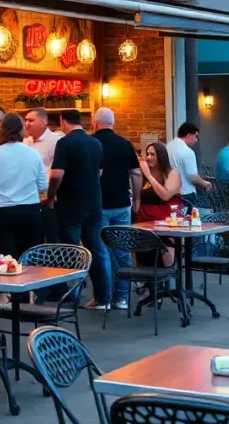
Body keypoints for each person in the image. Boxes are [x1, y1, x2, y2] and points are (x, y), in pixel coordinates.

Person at [0, 114, 47, 307]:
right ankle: (32, 298)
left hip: (2, 211)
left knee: (3, 256)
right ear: (21, 130)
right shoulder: (32, 153)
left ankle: (4, 300)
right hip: (30, 210)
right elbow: (43, 184)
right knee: (31, 256)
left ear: (2, 130)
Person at [47, 109, 111, 311]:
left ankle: (72, 297)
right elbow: (100, 171)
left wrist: (50, 196)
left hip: (70, 203)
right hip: (94, 203)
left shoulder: (64, 143)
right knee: (97, 249)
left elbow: (56, 174)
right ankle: (103, 298)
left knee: (70, 250)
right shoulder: (95, 143)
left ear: (63, 121)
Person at [91, 107, 141, 311]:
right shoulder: (125, 144)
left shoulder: (91, 143)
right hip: (122, 204)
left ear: (95, 122)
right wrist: (136, 197)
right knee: (123, 251)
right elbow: (136, 173)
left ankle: (103, 299)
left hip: (98, 204)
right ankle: (121, 298)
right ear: (113, 123)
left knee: (101, 252)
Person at [136, 142, 185, 267]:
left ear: (161, 156)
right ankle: (146, 281)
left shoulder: (172, 173)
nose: (148, 157)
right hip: (145, 221)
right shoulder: (145, 175)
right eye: (147, 154)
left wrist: (149, 176)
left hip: (165, 221)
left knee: (165, 246)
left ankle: (167, 276)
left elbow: (165, 195)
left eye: (152, 154)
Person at [23, 107, 62, 244]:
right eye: (26, 120)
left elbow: (58, 171)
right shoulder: (26, 143)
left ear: (44, 122)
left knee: (52, 239)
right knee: (33, 239)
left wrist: (50, 195)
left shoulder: (55, 142)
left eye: (31, 120)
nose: (27, 123)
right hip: (29, 198)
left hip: (48, 199)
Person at [166, 122, 212, 199]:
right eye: (196, 136)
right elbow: (193, 178)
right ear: (189, 135)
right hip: (186, 194)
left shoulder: (167, 146)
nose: (196, 140)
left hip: (169, 193)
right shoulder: (188, 151)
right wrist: (205, 183)